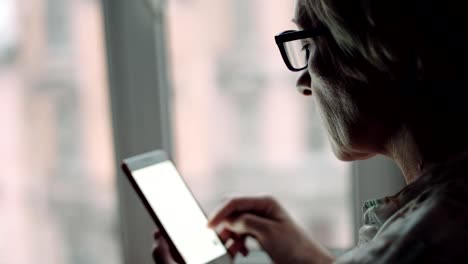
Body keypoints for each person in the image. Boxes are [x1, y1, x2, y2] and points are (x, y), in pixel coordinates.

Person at [153, 0, 468, 263]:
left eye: (308, 46)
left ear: (376, 48)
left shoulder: (418, 245)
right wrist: (303, 254)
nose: (303, 83)